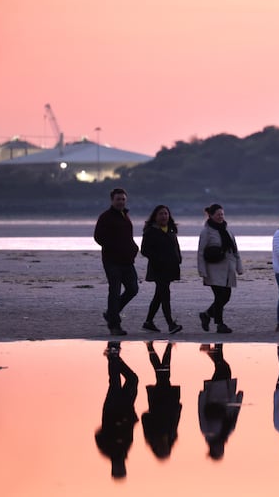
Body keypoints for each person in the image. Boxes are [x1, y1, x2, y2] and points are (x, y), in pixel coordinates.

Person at [94, 188, 139, 336]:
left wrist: (133, 248)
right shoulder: (105, 217)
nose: (121, 202)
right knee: (114, 291)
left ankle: (111, 313)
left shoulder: (125, 215)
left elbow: (128, 237)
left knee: (133, 289)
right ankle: (114, 325)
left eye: (123, 199)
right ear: (112, 200)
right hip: (112, 261)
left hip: (127, 260)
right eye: (118, 199)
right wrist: (114, 247)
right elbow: (98, 237)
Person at [95, 342, 139, 479]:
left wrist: (113, 425)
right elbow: (129, 433)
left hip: (112, 410)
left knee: (116, 382)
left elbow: (98, 435)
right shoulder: (123, 450)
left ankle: (113, 356)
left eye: (119, 468)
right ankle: (114, 358)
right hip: (125, 408)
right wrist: (131, 421)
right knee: (132, 379)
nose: (121, 466)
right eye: (122, 468)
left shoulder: (108, 450)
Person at [197, 204, 243, 334]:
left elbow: (235, 250)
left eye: (222, 214)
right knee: (219, 296)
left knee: (226, 297)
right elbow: (201, 253)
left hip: (228, 269)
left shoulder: (227, 230)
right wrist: (202, 271)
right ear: (211, 216)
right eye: (218, 214)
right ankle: (220, 324)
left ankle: (206, 315)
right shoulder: (206, 232)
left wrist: (239, 267)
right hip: (213, 270)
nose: (220, 217)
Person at [141, 205, 183, 334]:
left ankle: (148, 322)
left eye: (166, 213)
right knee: (165, 294)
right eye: (161, 214)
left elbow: (176, 247)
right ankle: (170, 324)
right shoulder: (150, 231)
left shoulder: (171, 230)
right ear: (155, 216)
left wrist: (178, 258)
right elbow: (144, 250)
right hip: (158, 268)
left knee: (159, 295)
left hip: (171, 267)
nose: (164, 216)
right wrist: (158, 259)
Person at [198, 343, 244, 460]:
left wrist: (202, 396)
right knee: (223, 367)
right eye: (222, 451)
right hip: (227, 392)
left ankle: (217, 343)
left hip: (214, 392)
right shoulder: (226, 433)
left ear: (212, 449)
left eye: (219, 451)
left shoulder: (207, 431)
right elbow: (234, 413)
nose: (221, 449)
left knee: (223, 367)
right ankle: (211, 348)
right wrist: (239, 398)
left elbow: (201, 412)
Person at [141, 341, 182, 459]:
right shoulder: (171, 436)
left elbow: (145, 418)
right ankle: (155, 347)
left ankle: (164, 347)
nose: (164, 447)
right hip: (168, 401)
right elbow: (175, 421)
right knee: (162, 374)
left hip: (158, 401)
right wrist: (178, 407)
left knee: (162, 374)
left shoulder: (152, 436)